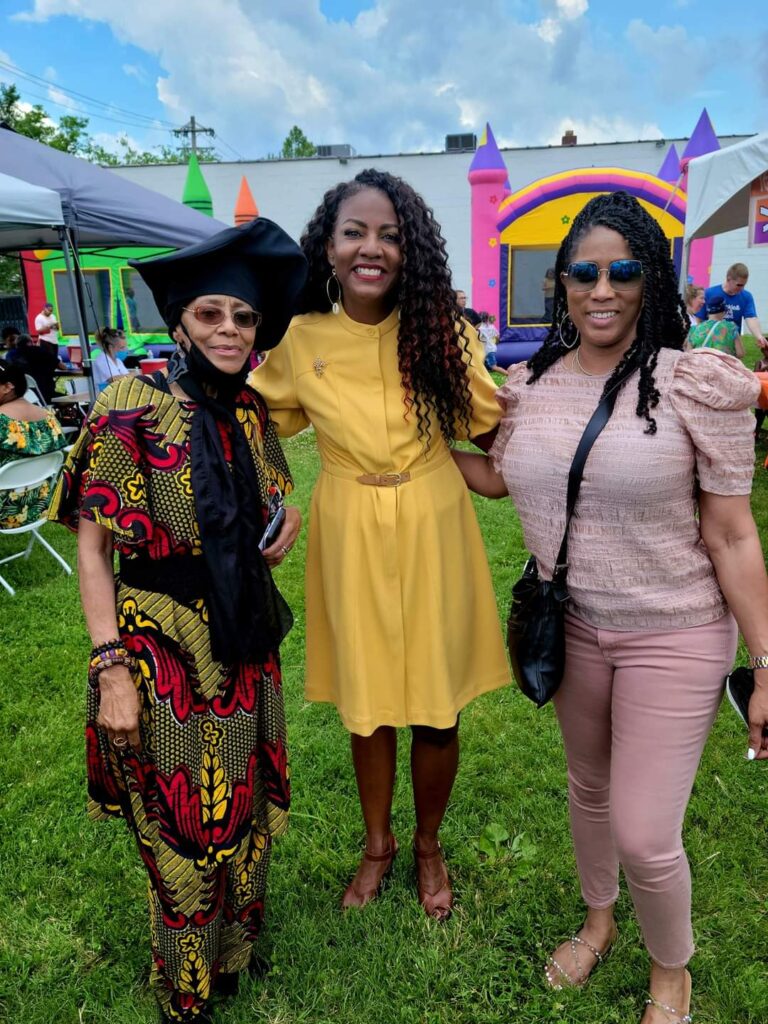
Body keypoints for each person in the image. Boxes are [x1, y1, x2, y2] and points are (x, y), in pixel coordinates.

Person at [452, 191, 768, 1023]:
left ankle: (672, 973)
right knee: (588, 787)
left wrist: (766, 663)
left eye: (622, 271)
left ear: (650, 279)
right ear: (560, 284)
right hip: (573, 625)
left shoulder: (693, 382)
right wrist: (406, 458)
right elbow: (500, 478)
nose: (602, 289)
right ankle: (599, 922)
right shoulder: (530, 387)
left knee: (645, 833)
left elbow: (733, 534)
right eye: (583, 273)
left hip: (677, 629)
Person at [47, 219, 308, 1024]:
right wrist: (111, 669)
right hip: (162, 649)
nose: (230, 329)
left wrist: (286, 521)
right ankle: (184, 986)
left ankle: (233, 953)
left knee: (243, 804)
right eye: (211, 313)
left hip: (244, 637)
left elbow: (271, 502)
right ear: (181, 323)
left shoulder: (251, 412)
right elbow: (93, 548)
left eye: (244, 317)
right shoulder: (130, 406)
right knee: (182, 825)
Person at [254, 169, 509, 921]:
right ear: (327, 249)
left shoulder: (443, 331)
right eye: (355, 233)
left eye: (391, 235)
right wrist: (272, 497)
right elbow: (251, 422)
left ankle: (427, 844)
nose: (373, 248)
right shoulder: (300, 338)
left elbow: (498, 429)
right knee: (366, 704)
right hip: (350, 528)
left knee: (436, 703)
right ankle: (377, 844)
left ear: (411, 252)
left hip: (433, 522)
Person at [0, 361, 66, 528]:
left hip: (4, 510)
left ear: (8, 387)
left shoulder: (2, 420)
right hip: (38, 504)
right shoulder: (48, 417)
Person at [704, 262, 767, 350]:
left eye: (744, 285)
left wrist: (759, 336)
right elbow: (700, 320)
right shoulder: (710, 293)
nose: (742, 288)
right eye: (739, 285)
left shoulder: (746, 296)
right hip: (710, 344)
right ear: (728, 279)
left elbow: (751, 318)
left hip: (732, 346)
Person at [14, 333, 61, 403]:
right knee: (69, 399)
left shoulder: (12, 356)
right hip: (47, 395)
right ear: (29, 342)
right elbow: (62, 366)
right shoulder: (39, 351)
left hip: (28, 399)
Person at [91, 327, 130, 391]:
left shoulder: (118, 361)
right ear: (110, 347)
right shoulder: (102, 360)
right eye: (122, 347)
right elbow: (115, 379)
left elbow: (127, 377)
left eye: (126, 347)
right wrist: (135, 375)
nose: (125, 350)